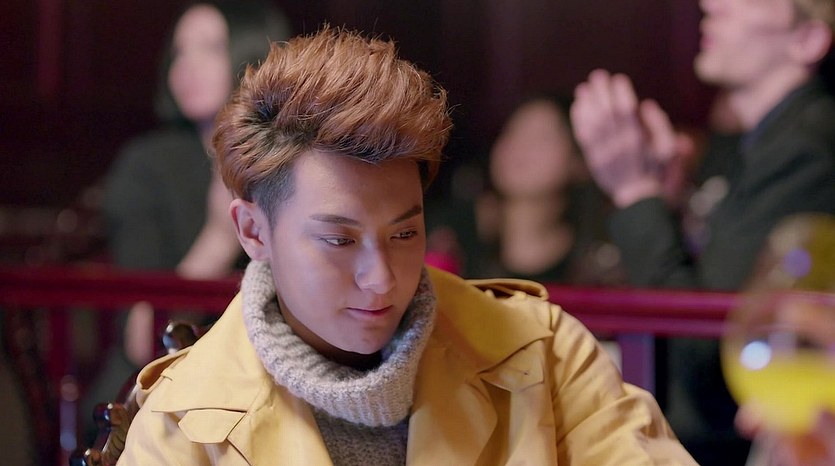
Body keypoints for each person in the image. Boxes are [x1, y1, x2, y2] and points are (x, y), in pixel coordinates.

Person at [117, 27, 697, 465]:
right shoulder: (180, 422)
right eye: (339, 240)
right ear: (252, 232)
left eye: (404, 233)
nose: (382, 278)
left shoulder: (543, 351)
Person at [570, 0, 835, 463]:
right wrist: (666, 203)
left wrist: (635, 191)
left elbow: (706, 361)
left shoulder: (803, 150)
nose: (712, 4)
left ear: (807, 39)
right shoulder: (775, 141)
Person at [85, 0, 290, 442]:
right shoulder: (146, 165)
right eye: (180, 52)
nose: (188, 66)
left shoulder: (291, 162)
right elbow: (142, 338)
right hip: (156, 395)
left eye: (210, 48)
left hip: (272, 385)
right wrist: (219, 238)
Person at [426, 94, 624, 286]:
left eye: (541, 137)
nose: (520, 146)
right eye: (512, 132)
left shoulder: (599, 263)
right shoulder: (446, 235)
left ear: (579, 161)